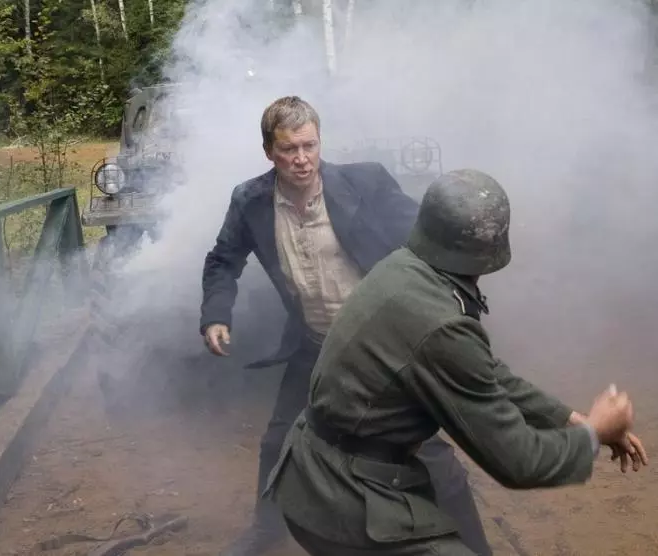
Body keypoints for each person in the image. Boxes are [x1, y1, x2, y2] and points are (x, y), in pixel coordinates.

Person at [264, 168, 649, 556]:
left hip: (311, 474)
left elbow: (483, 370)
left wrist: (567, 418)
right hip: (345, 500)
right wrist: (594, 433)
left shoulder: (403, 268)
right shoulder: (442, 324)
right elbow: (520, 461)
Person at [200, 97, 494, 556]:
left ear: (320, 142)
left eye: (309, 146)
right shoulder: (250, 201)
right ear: (268, 152)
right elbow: (223, 259)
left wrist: (454, 294)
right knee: (280, 440)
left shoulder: (365, 182)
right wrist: (217, 313)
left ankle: (476, 547)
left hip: (381, 346)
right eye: (288, 149)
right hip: (316, 344)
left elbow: (426, 239)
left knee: (429, 454)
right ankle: (268, 527)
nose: (301, 159)